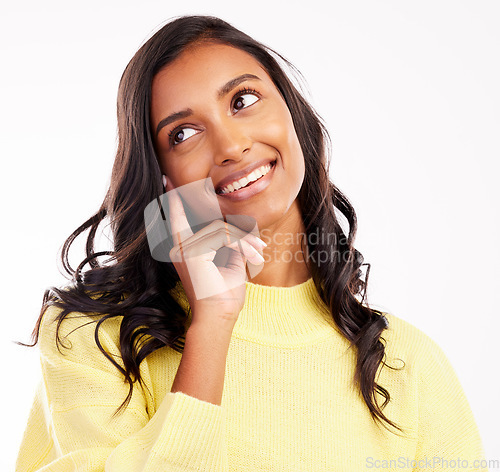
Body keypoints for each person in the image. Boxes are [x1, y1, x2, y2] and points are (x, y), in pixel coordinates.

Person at [15, 14, 487, 472]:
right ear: (162, 182)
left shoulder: (410, 365)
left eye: (243, 100)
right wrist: (212, 325)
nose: (230, 145)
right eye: (183, 133)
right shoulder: (92, 339)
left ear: (292, 117)